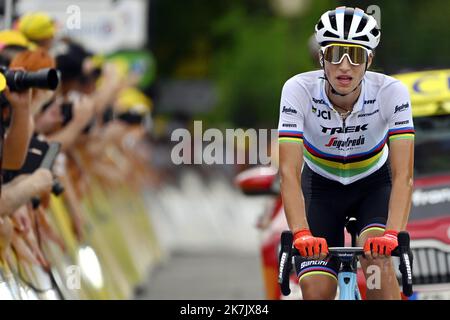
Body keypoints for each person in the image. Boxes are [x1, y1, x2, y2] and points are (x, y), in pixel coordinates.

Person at [278, 6, 415, 300]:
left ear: (369, 59)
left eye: (355, 55)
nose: (344, 66)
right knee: (317, 291)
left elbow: (404, 175)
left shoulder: (391, 92)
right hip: (320, 188)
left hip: (373, 186)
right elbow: (288, 172)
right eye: (335, 53)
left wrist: (392, 233)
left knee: (378, 268)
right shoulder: (297, 89)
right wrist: (301, 232)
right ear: (321, 57)